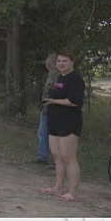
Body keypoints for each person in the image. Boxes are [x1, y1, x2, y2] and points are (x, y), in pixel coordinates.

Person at [40, 50, 85, 201]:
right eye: (59, 61)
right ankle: (57, 188)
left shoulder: (75, 79)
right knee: (57, 156)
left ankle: (73, 192)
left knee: (68, 157)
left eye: (65, 61)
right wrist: (49, 101)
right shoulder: (59, 77)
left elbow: (74, 101)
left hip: (69, 122)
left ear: (72, 62)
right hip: (54, 121)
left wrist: (53, 101)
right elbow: (55, 94)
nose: (61, 64)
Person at [34, 53, 60, 165]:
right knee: (43, 132)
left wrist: (52, 89)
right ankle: (43, 156)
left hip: (52, 109)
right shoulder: (51, 75)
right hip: (46, 108)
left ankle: (52, 158)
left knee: (51, 134)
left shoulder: (59, 76)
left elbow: (59, 88)